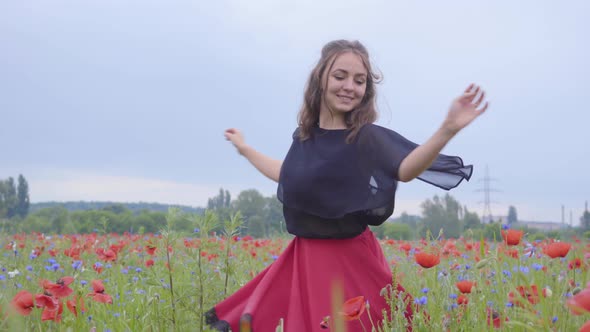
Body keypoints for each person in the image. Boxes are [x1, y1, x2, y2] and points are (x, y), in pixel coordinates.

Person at [206, 40, 488, 331]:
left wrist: (447, 129)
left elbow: (404, 169)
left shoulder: (365, 138)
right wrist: (244, 148)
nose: (349, 86)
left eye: (359, 81)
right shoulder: (304, 137)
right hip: (304, 260)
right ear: (321, 79)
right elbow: (286, 173)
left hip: (350, 260)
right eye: (340, 76)